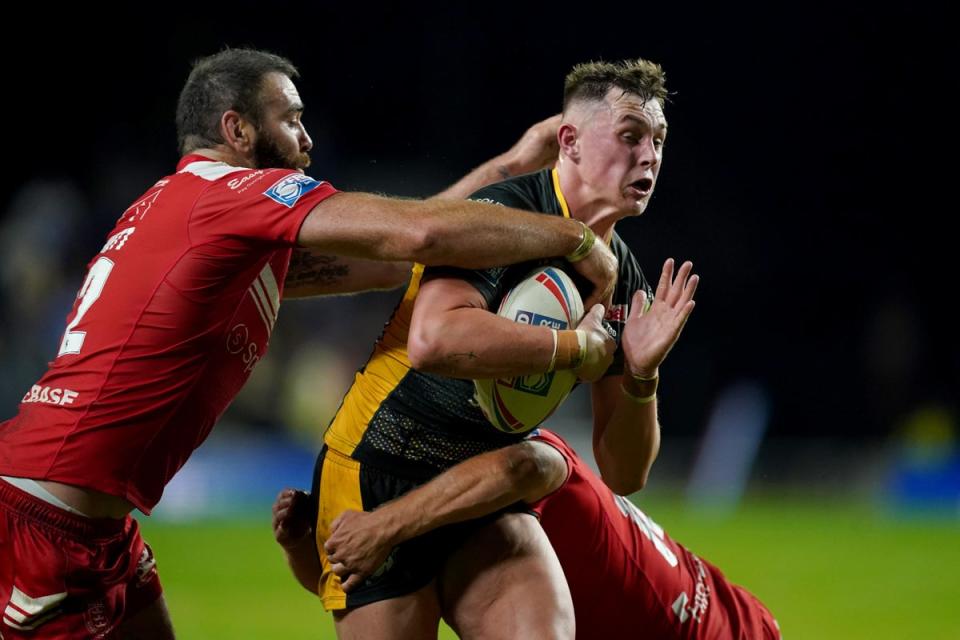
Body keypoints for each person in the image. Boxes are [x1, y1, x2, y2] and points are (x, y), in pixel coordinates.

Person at [0, 48, 616, 639]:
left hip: (86, 525)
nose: (307, 139)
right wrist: (575, 239)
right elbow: (419, 236)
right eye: (291, 120)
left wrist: (508, 168)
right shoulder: (230, 196)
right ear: (235, 130)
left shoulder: (190, 215)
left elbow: (385, 262)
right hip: (44, 524)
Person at [311, 58, 698, 639]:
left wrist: (642, 377)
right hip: (378, 472)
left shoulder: (627, 282)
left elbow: (624, 471)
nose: (650, 156)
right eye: (630, 136)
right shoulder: (503, 211)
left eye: (659, 141)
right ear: (568, 140)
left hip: (477, 492)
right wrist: (574, 349)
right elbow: (434, 340)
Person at [274, 427, 782, 639]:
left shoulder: (497, 477)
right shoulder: (459, 514)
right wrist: (305, 548)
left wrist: (382, 524)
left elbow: (528, 467)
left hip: (730, 623)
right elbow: (366, 581)